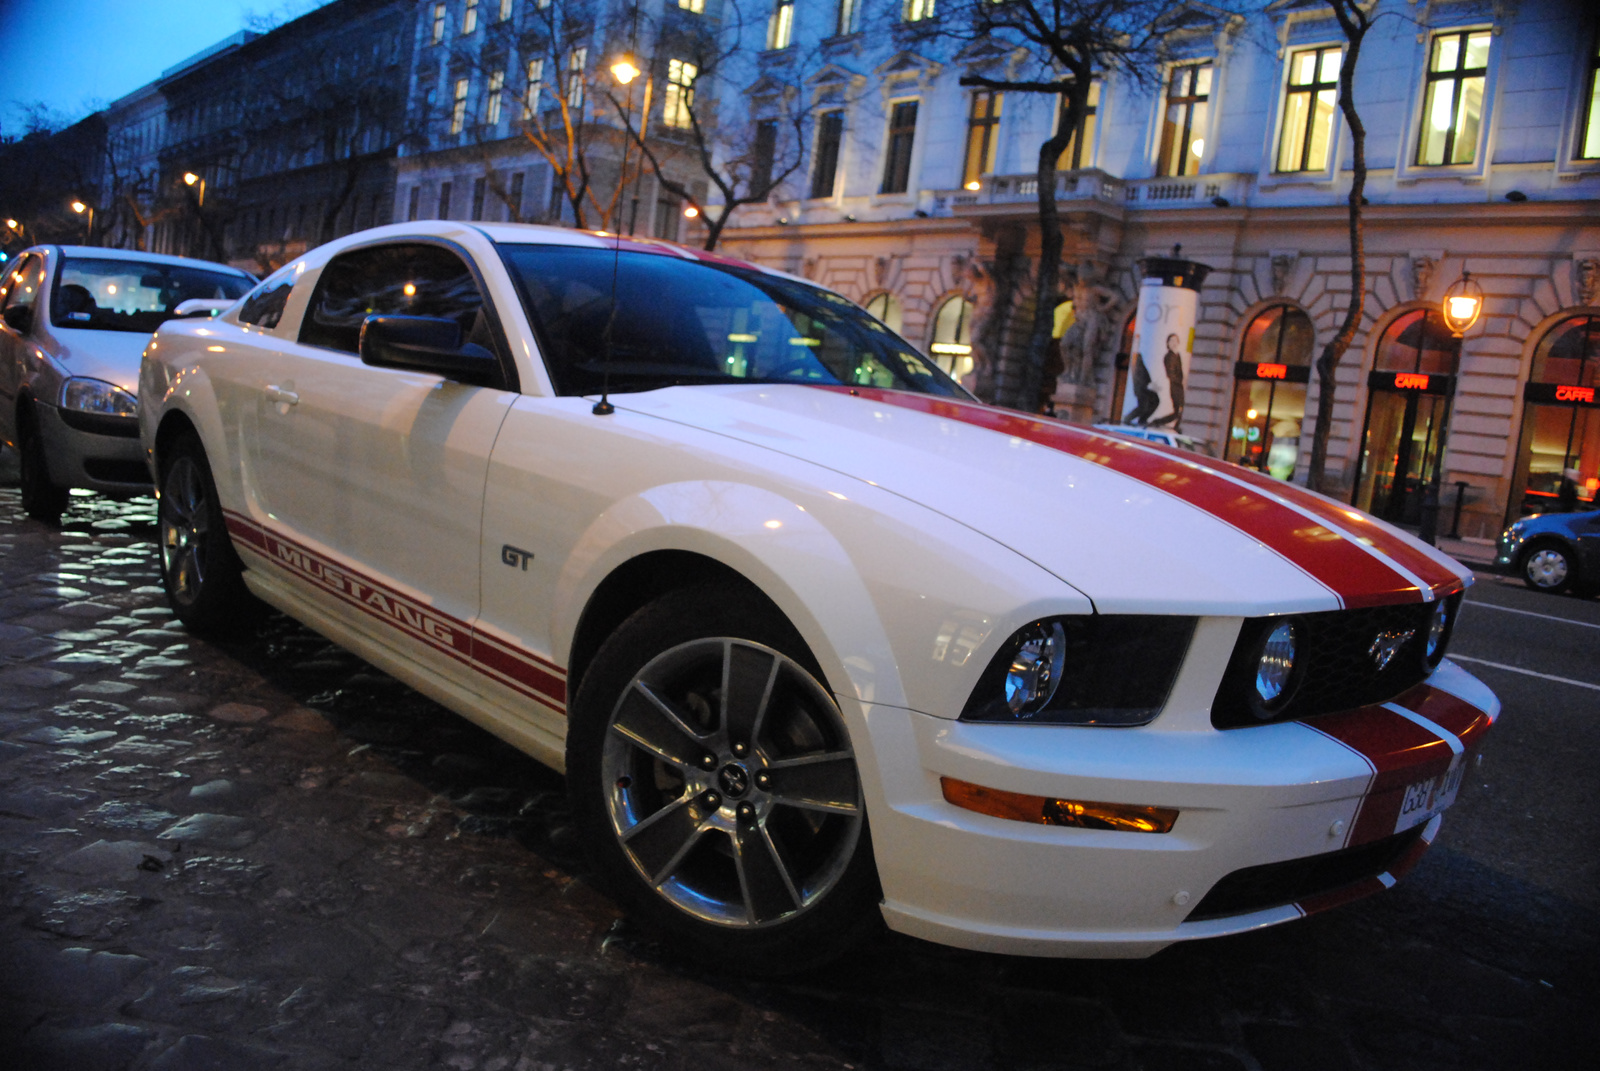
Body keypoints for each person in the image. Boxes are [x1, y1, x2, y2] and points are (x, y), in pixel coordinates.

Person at [1148, 333, 1186, 429]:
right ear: (1167, 343)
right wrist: (1181, 382)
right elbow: (1171, 374)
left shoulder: (1177, 355)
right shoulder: (1169, 356)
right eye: (1171, 341)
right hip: (1175, 387)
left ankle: (1172, 426)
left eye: (1176, 341)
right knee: (1178, 411)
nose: (1174, 343)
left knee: (1180, 411)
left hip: (1179, 387)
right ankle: (1159, 422)